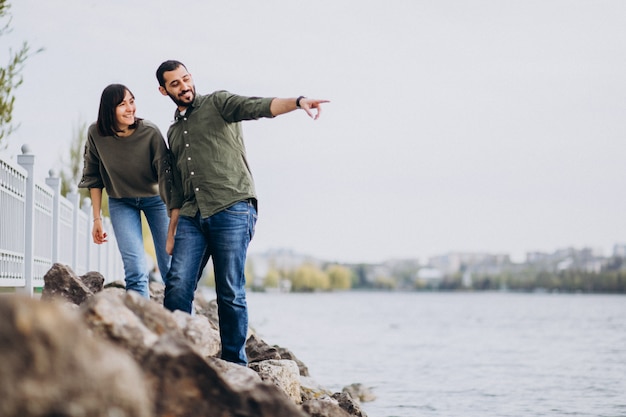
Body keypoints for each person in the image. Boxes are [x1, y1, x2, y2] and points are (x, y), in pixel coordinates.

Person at [156, 60, 328, 365]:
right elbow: (179, 190)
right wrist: (171, 232)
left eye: (185, 79)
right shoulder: (173, 132)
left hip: (232, 207)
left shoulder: (218, 103)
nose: (184, 86)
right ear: (163, 90)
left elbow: (259, 106)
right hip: (192, 216)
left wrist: (299, 102)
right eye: (175, 84)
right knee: (178, 284)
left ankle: (236, 365)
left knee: (230, 290)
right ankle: (177, 357)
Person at [79, 84, 171, 298]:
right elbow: (93, 175)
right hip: (121, 202)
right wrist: (96, 219)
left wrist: (175, 215)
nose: (130, 108)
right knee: (136, 271)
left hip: (157, 200)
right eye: (122, 104)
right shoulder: (95, 133)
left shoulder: (150, 132)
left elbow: (167, 176)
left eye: (132, 101)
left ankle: (186, 323)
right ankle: (139, 325)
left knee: (171, 269)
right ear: (109, 110)